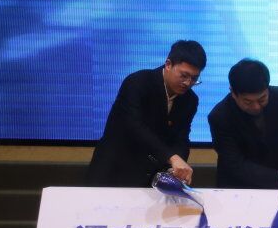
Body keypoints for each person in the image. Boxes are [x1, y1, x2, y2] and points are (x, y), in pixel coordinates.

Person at [87, 40, 206, 187]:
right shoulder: (138, 83)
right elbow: (135, 127)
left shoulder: (190, 100)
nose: (188, 83)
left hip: (149, 177)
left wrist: (176, 166)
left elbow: (181, 138)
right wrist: (171, 157)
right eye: (184, 75)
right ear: (168, 64)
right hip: (114, 170)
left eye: (194, 79)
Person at [208, 59, 278, 189]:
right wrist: (277, 177)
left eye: (262, 99)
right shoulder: (220, 116)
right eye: (248, 102)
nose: (256, 107)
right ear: (233, 93)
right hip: (239, 188)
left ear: (267, 88)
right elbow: (235, 164)